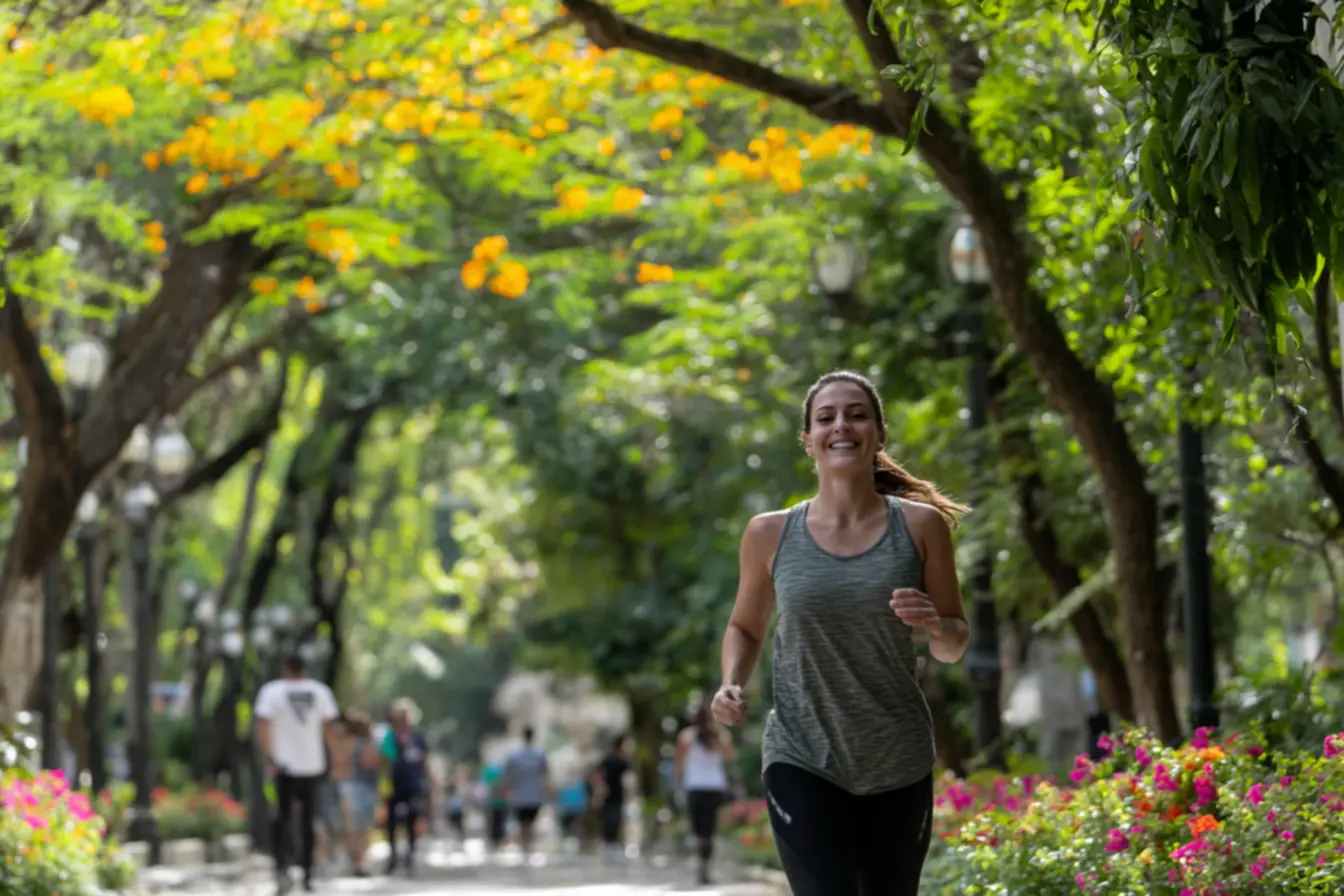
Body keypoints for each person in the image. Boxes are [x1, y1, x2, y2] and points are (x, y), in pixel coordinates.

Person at [711, 370, 970, 895]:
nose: (841, 426)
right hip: (800, 753)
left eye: (856, 414)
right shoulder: (769, 533)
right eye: (825, 418)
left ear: (880, 434)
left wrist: (934, 624)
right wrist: (731, 682)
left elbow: (953, 644)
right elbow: (744, 626)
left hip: (897, 758)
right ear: (808, 440)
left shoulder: (921, 527)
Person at [254, 653, 341, 894]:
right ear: (305, 669)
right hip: (312, 765)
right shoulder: (320, 692)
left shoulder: (271, 692)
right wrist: (337, 759)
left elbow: (263, 725)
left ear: (286, 668)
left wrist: (270, 756)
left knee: (281, 819)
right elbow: (330, 728)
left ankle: (282, 869)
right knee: (308, 820)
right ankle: (307, 874)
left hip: (283, 766)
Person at [674, 702, 735, 885]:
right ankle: (706, 865)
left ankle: (700, 864)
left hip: (694, 787)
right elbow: (731, 755)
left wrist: (677, 785)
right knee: (709, 829)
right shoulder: (720, 734)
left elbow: (678, 765)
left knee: (698, 830)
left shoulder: (686, 737)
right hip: (714, 787)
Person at [382, 699, 432, 876]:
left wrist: (429, 783)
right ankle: (393, 857)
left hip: (413, 785)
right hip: (394, 785)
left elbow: (424, 762)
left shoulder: (418, 738)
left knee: (413, 819)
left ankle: (410, 857)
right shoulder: (389, 737)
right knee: (391, 823)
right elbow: (385, 761)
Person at [335, 711, 380, 877]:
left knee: (351, 826)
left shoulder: (344, 742)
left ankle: (355, 861)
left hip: (347, 786)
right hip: (363, 786)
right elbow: (371, 762)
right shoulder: (365, 743)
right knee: (363, 826)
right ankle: (360, 862)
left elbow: (339, 766)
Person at [501, 725, 551, 862]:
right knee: (531, 823)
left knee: (523, 823)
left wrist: (506, 790)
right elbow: (545, 774)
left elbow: (508, 776)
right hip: (535, 796)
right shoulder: (540, 754)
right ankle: (528, 846)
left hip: (520, 796)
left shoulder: (514, 755)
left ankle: (525, 847)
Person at [587, 734, 632, 858]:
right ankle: (609, 842)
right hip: (608, 795)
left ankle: (613, 842)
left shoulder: (620, 760)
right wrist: (600, 787)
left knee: (614, 818)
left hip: (617, 794)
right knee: (610, 818)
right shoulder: (610, 760)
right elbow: (594, 774)